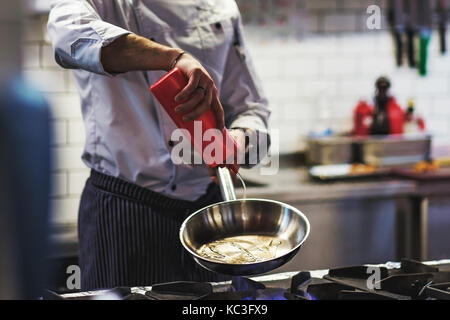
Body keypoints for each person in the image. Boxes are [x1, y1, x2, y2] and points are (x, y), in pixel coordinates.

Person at [47, 0, 270, 290]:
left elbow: (252, 108)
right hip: (124, 211)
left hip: (207, 211)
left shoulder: (220, 6)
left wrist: (240, 139)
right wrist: (174, 59)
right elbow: (69, 37)